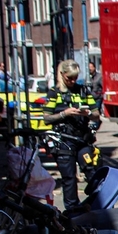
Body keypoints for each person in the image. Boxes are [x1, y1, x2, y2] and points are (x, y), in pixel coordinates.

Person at [42, 59, 101, 210]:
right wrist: (64, 113)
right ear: (62, 75)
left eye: (75, 78)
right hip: (63, 140)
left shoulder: (83, 90)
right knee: (69, 178)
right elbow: (47, 118)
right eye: (70, 78)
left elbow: (96, 114)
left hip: (82, 138)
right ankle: (72, 210)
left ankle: (99, 203)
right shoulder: (54, 93)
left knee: (91, 171)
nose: (73, 81)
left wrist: (88, 113)